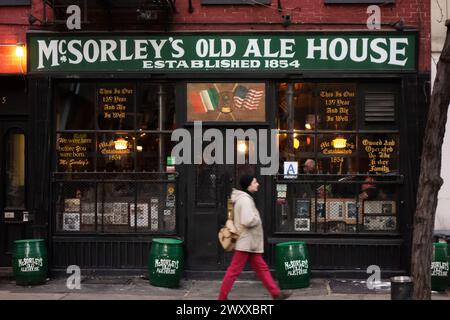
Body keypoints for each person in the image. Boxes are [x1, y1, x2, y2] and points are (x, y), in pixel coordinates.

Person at [218, 174, 292, 300]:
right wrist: (257, 219)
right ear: (249, 185)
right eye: (254, 182)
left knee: (261, 269)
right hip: (246, 243)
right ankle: (221, 298)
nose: (257, 184)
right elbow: (248, 221)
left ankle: (276, 294)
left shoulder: (244, 198)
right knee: (233, 271)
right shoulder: (245, 200)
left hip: (249, 243)